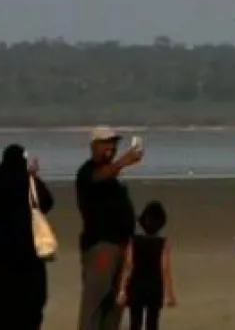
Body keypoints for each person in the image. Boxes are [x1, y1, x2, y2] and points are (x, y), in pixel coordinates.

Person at [0, 145, 56, 330]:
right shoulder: (27, 182)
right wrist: (33, 177)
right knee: (25, 307)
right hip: (26, 251)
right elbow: (46, 203)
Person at [76, 126, 142, 330]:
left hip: (122, 245)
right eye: (106, 143)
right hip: (102, 245)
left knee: (116, 302)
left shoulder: (113, 176)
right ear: (95, 145)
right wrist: (124, 161)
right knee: (96, 299)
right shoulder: (87, 172)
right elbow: (98, 177)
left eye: (114, 144)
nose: (111, 148)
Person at [117, 201, 176, 330]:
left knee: (135, 322)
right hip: (155, 287)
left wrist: (122, 289)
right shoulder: (164, 243)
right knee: (152, 323)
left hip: (136, 286)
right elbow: (165, 268)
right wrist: (170, 293)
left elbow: (129, 265)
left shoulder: (134, 241)